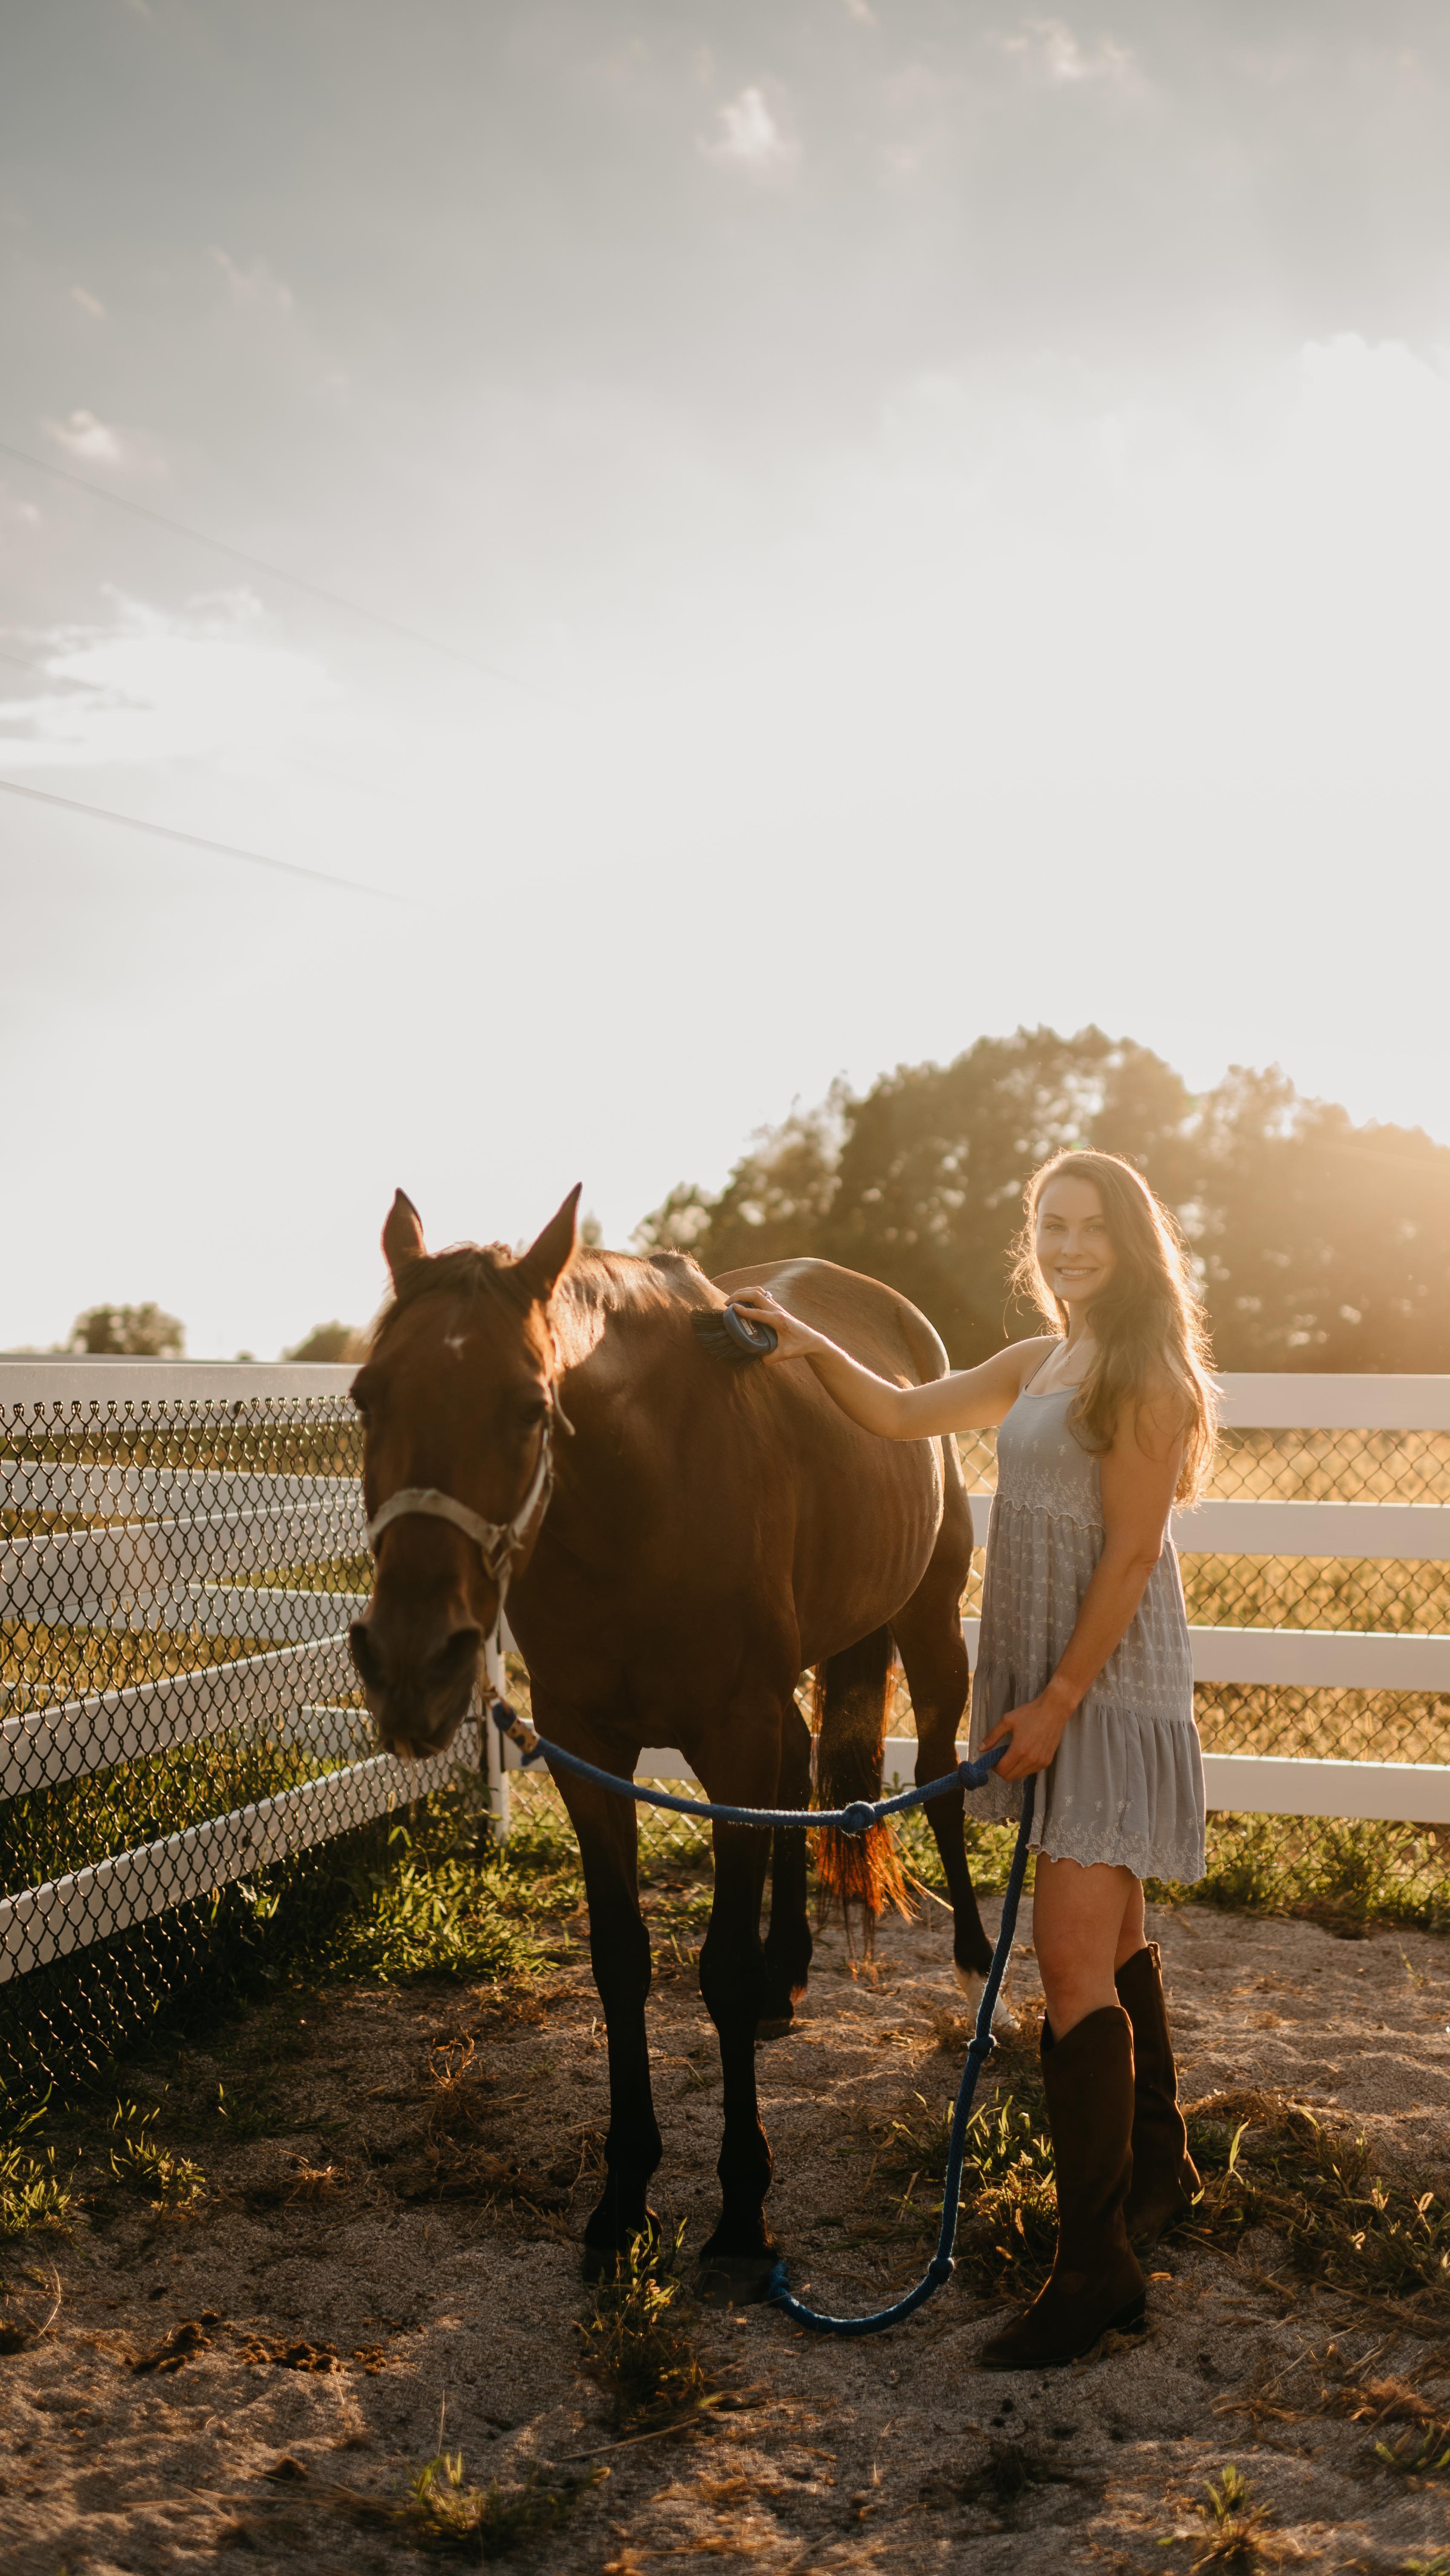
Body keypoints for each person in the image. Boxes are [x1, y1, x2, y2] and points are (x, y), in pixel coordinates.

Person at [730, 1148, 1214, 2370]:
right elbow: (902, 1414)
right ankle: (1158, 2171)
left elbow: (1130, 1557)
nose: (1067, 1247)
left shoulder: (1146, 1376)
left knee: (1069, 1964)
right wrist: (802, 1340)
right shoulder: (1039, 1362)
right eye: (1051, 1225)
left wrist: (1057, 1700)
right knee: (1115, 1935)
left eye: (1090, 1227)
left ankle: (1096, 2270)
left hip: (1102, 1686)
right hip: (1058, 1682)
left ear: (1133, 1241)